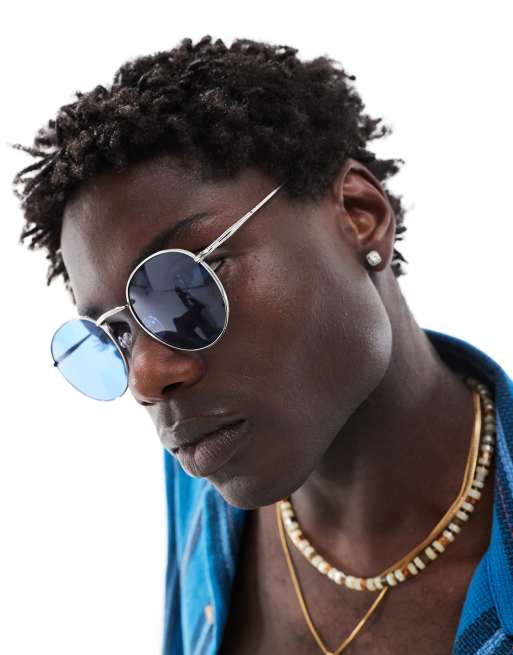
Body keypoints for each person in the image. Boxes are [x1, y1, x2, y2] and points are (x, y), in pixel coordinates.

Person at [11, 35, 513, 655]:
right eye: (113, 333)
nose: (146, 377)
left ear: (358, 214)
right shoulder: (203, 489)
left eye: (186, 282)